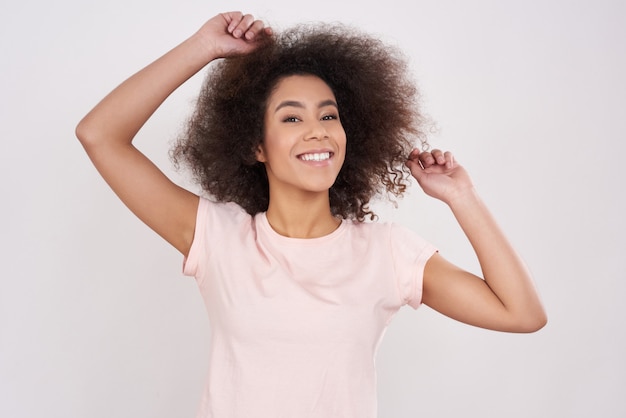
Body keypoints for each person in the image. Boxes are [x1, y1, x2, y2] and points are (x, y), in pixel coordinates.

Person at [76, 11, 546, 418]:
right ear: (257, 145)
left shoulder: (387, 252)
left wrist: (463, 197)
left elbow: (522, 314)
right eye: (292, 118)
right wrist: (203, 46)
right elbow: (99, 134)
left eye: (328, 116)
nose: (317, 132)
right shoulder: (218, 238)